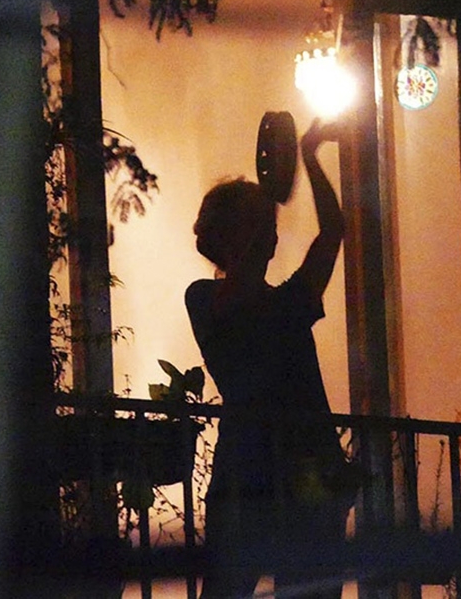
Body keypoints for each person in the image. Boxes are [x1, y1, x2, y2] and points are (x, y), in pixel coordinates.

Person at [186, 119, 353, 598]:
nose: (271, 234)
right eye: (259, 225)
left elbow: (333, 232)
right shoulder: (204, 297)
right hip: (251, 474)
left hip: (295, 472)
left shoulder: (287, 302)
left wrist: (310, 158)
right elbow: (236, 293)